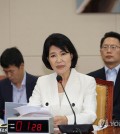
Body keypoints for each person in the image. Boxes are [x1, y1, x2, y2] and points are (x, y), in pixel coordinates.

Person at [29, 33, 97, 132]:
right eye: (53, 56)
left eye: (63, 54)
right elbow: (31, 112)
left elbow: (90, 115)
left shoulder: (87, 81)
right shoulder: (42, 82)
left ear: (71, 56)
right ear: (48, 60)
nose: (59, 60)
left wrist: (67, 120)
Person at [87, 31, 120, 120]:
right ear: (101, 52)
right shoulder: (90, 78)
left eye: (113, 47)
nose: (109, 50)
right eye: (105, 47)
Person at [0, 47, 38, 120]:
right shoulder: (1, 86)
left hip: (33, 128)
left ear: (21, 66)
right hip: (8, 128)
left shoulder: (37, 84)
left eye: (11, 71)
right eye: (5, 71)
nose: (8, 75)